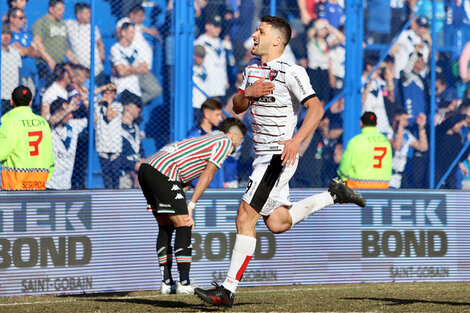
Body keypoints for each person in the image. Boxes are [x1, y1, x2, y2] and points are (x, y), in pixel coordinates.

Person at [194, 16, 366, 308]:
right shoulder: (251, 70)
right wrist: (246, 94)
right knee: (277, 222)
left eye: (260, 31)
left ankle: (227, 289)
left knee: (245, 216)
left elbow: (317, 108)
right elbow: (237, 108)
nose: (253, 35)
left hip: (278, 156)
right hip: (261, 157)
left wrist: (297, 139)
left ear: (276, 40)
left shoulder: (292, 71)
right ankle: (333, 194)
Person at [138, 117, 247, 295]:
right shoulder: (224, 142)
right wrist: (192, 205)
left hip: (147, 168)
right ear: (234, 135)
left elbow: (186, 175)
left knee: (165, 226)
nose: (240, 144)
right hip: (164, 170)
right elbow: (208, 175)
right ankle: (184, 282)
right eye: (241, 139)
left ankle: (167, 283)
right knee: (185, 223)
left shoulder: (207, 139)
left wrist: (182, 198)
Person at [0, 85, 54, 190]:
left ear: (11, 101)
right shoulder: (43, 122)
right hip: (39, 183)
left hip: (15, 186)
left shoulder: (10, 122)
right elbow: (49, 154)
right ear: (30, 102)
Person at [337, 111, 392, 189]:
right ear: (376, 124)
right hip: (382, 187)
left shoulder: (355, 142)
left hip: (358, 187)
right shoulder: (385, 142)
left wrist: (343, 179)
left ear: (361, 123)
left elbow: (344, 168)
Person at [45, 97, 87, 189]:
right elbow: (52, 121)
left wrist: (85, 100)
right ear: (57, 112)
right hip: (48, 184)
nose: (70, 115)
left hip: (66, 185)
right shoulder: (48, 127)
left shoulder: (73, 125)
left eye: (71, 112)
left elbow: (94, 119)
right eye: (67, 112)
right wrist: (70, 108)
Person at [65, 2, 106, 86]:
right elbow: (60, 38)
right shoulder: (70, 25)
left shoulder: (93, 27)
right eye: (86, 13)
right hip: (81, 70)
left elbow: (100, 43)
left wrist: (102, 56)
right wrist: (69, 54)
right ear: (78, 15)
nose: (89, 15)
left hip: (97, 69)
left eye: (90, 13)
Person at [187, 98, 225, 188]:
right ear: (206, 115)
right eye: (217, 115)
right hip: (200, 189)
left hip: (218, 188)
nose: (220, 118)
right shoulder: (194, 137)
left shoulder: (220, 134)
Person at [389, 109, 428, 188]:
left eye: (406, 120)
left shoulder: (406, 134)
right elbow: (397, 146)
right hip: (389, 174)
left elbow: (423, 147)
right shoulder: (388, 133)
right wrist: (400, 126)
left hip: (401, 175)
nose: (404, 123)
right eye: (401, 120)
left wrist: (421, 127)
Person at [1, 25, 22, 115]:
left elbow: (19, 74)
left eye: (8, 34)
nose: (6, 36)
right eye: (3, 33)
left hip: (12, 97)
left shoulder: (15, 52)